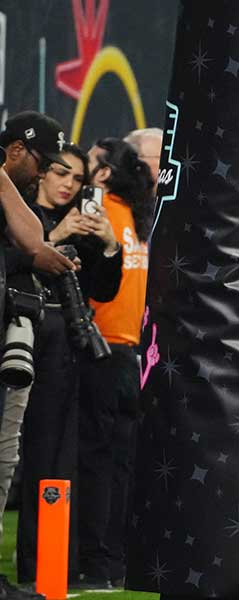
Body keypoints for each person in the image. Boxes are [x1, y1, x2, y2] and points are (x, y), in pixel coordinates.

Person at [9, 144, 121, 591]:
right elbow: (13, 263)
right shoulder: (17, 218)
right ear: (39, 173)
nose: (67, 185)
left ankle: (54, 569)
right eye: (60, 173)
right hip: (20, 341)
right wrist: (51, 240)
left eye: (77, 179)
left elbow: (105, 291)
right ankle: (33, 567)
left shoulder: (84, 226)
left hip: (68, 349)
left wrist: (109, 242)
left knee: (61, 458)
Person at [74, 137, 154, 588]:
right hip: (137, 354)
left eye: (88, 163)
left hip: (98, 347)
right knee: (123, 463)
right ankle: (117, 560)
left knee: (93, 461)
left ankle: (93, 561)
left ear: (103, 173)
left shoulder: (96, 209)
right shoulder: (144, 218)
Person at [0, 112, 77, 278]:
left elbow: (34, 243)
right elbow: (32, 251)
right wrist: (28, 260)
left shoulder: (22, 195)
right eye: (43, 164)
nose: (43, 175)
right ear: (16, 150)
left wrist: (52, 255)